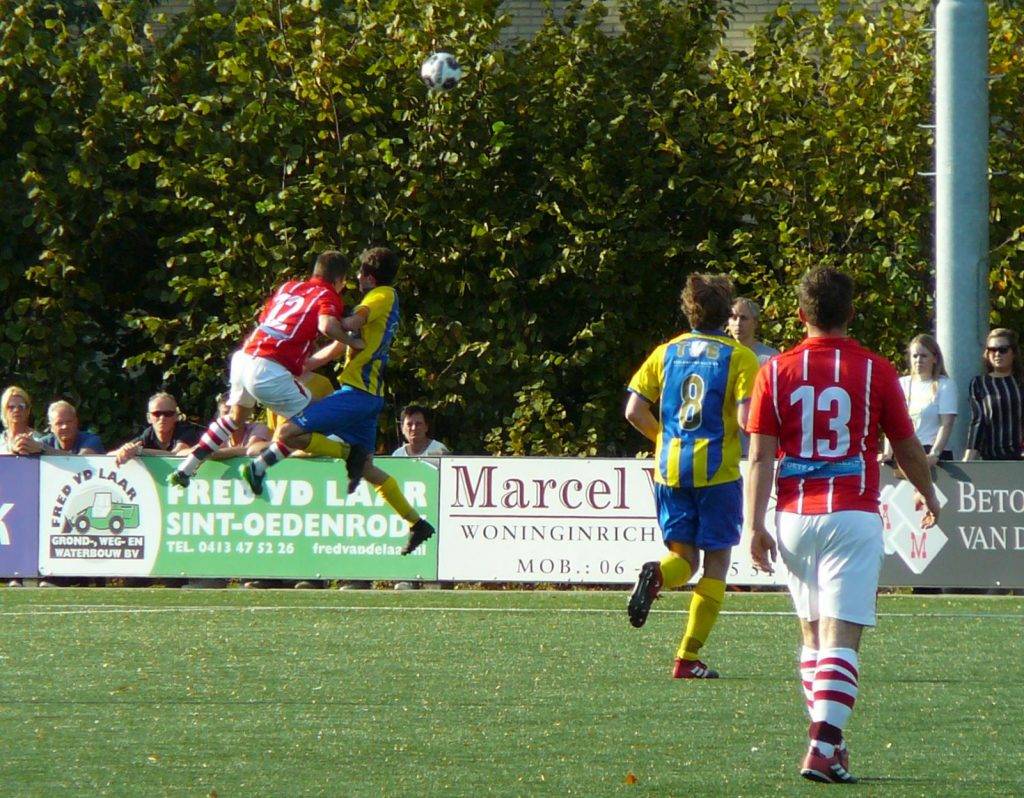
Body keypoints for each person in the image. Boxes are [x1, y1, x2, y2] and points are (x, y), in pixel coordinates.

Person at [744, 267, 940, 784]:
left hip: (792, 515)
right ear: (851, 313)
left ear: (800, 315)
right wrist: (927, 491)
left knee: (813, 636)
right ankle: (823, 746)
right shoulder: (875, 369)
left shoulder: (774, 371)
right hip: (851, 512)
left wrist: (753, 525)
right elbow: (906, 445)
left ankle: (830, 744)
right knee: (841, 634)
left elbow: (759, 457)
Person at [243, 246, 436, 557]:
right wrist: (305, 363)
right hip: (365, 395)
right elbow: (339, 346)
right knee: (368, 469)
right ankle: (417, 523)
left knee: (288, 432)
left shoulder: (381, 296)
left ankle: (336, 455)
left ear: (369, 277)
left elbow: (348, 327)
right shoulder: (381, 299)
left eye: (359, 274)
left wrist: (324, 310)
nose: (355, 279)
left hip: (358, 395)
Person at [624, 273, 759, 679]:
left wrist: (664, 439)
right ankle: (687, 657)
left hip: (670, 471)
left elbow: (633, 410)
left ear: (690, 310)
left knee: (683, 559)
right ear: (726, 314)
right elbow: (746, 419)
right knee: (716, 561)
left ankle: (658, 575)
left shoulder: (666, 351)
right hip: (717, 475)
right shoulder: (739, 357)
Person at [168, 250, 368, 489]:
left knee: (235, 418)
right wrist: (353, 341)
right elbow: (326, 326)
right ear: (340, 280)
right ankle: (258, 467)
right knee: (313, 420)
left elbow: (272, 325)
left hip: (244, 358)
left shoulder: (289, 288)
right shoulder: (327, 294)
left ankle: (185, 468)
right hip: (268, 369)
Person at [880, 334, 956, 466]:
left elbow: (947, 424)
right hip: (904, 450)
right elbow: (892, 423)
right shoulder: (901, 384)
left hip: (932, 454)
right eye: (915, 356)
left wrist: (934, 454)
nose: (919, 360)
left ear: (935, 358)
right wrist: (888, 453)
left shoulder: (945, 385)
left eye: (924, 356)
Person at [963, 328, 1024, 461]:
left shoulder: (1020, 382)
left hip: (1019, 458)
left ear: (1013, 352)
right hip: (991, 459)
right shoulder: (979, 383)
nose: (997, 354)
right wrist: (968, 460)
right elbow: (978, 422)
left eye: (1003, 350)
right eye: (992, 350)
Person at [112, 392, 204, 465]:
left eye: (168, 414)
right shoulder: (148, 434)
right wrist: (124, 451)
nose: (162, 418)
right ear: (149, 418)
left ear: (176, 416)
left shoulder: (186, 431)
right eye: (156, 414)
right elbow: (110, 456)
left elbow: (176, 455)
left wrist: (139, 451)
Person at [728, 297, 780, 365]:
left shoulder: (771, 357)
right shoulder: (722, 354)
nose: (738, 323)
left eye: (743, 318)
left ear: (755, 323)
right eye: (734, 318)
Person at [0, 386, 46, 455]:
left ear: (28, 410)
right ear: (4, 411)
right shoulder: (1, 440)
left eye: (21, 406)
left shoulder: (39, 440)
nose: (16, 410)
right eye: (11, 407)